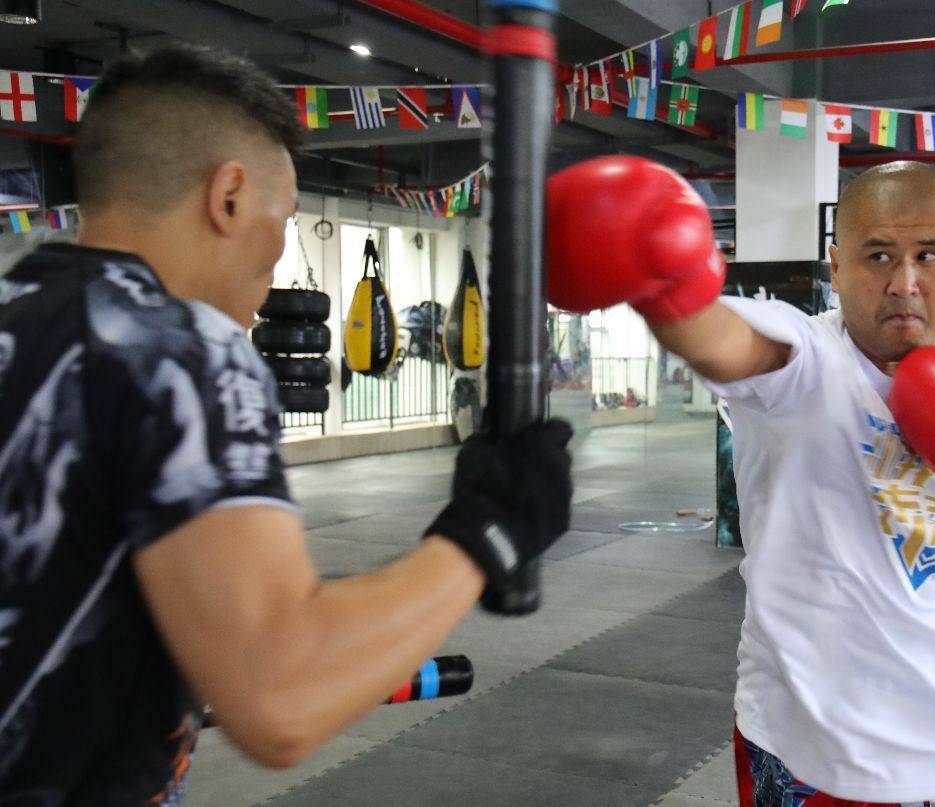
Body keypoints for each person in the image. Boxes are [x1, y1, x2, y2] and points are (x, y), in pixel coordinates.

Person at [0, 44, 572, 805]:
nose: (278, 252)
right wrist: (490, 528)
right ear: (229, 197)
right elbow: (280, 697)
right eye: (284, 219)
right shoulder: (176, 349)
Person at [547, 157, 935, 807]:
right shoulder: (805, 355)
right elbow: (724, 340)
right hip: (805, 748)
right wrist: (663, 282)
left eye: (930, 255)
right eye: (878, 255)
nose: (905, 282)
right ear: (835, 266)